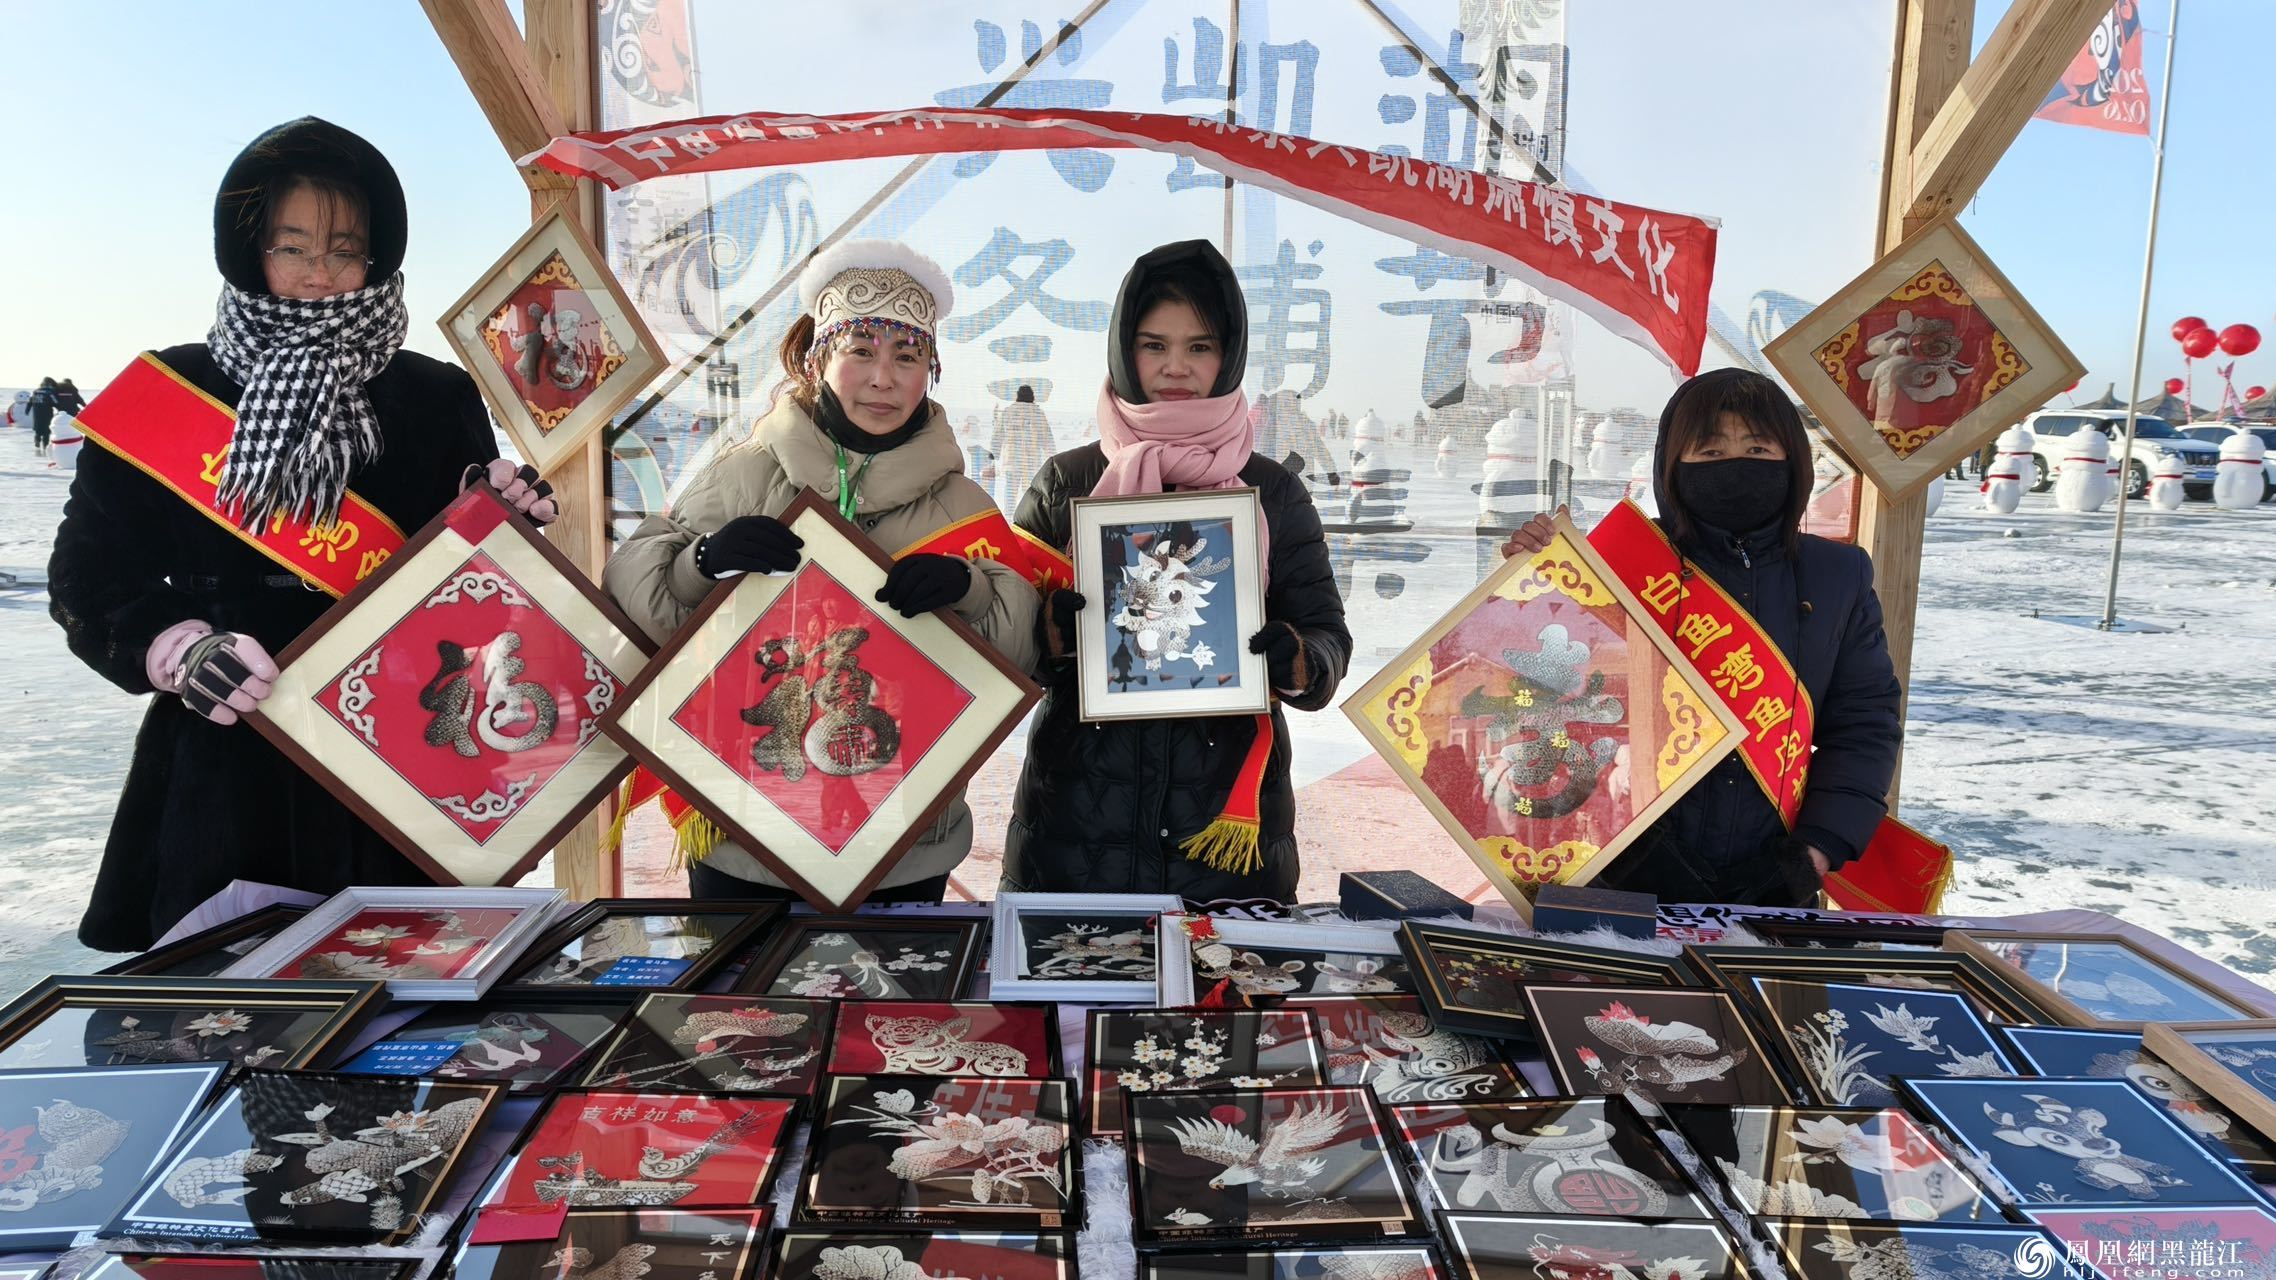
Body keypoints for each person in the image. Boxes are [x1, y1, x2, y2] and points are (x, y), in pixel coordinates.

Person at [49, 117, 557, 951]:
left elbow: (474, 593)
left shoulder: (435, 394)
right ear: (252, 250)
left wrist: (501, 524)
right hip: (227, 756)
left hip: (398, 755)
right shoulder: (171, 388)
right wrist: (176, 650)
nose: (320, 274)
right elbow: (87, 577)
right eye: (293, 248)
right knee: (228, 1025)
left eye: (345, 249)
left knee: (402, 1007)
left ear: (378, 255)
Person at [604, 239, 1039, 904]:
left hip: (903, 840)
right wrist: (703, 562)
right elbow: (636, 586)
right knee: (739, 1012)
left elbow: (1019, 657)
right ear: (818, 358)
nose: (883, 378)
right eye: (860, 350)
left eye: (907, 355)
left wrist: (971, 591)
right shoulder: (745, 470)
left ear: (933, 369)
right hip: (745, 837)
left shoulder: (962, 505)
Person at [1004, 239, 1351, 901]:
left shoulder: (1270, 490)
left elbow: (1326, 634)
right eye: (1153, 344)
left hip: (1224, 828)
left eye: (1199, 346)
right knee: (1074, 1001)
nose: (1175, 367)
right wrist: (1049, 634)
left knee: (1223, 998)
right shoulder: (1067, 482)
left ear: (1229, 354)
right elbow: (1006, 644)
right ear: (1123, 350)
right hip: (1078, 826)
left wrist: (1298, 660)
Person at [1499, 367, 1902, 906]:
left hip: (1773, 882)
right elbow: (1546, 701)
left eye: (1758, 449)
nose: (1736, 466)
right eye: (1709, 453)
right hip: (1618, 870)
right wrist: (1526, 590)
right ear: (1673, 465)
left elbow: (1864, 723)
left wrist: (1815, 852)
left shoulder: (1839, 576)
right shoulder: (1616, 563)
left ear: (1793, 463)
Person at [990, 383, 1055, 509]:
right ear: (1032, 397)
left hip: (1011, 461)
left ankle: (1009, 517)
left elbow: (997, 436)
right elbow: (1047, 439)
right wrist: (1052, 458)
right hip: (1031, 461)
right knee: (1031, 494)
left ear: (1017, 396)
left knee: (1010, 493)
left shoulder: (1007, 412)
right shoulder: (1038, 413)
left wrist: (994, 455)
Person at [27, 378, 57, 456]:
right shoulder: (49, 392)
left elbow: (30, 401)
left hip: (37, 413)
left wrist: (27, 410)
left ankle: (37, 441)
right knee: (46, 431)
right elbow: (55, 402)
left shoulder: (35, 392)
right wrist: (60, 409)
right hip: (47, 413)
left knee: (38, 429)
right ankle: (45, 446)